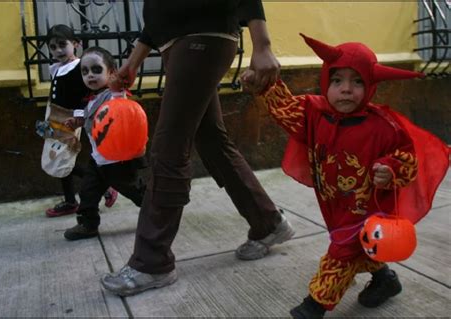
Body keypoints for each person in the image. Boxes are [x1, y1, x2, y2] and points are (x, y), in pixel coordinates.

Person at [242, 33, 449, 318]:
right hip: (335, 203)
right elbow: (284, 109)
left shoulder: (384, 127)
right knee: (358, 247)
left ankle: (314, 306)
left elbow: (407, 158)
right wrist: (263, 87)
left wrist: (390, 170)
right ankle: (384, 280)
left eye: (358, 82)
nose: (346, 90)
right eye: (337, 80)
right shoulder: (313, 113)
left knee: (342, 251)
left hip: (367, 207)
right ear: (326, 80)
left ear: (371, 85)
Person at [100, 0, 295, 296]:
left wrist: (262, 43)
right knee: (212, 140)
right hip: (182, 45)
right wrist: (134, 61)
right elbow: (158, 13)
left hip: (202, 38)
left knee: (169, 145)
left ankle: (152, 262)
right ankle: (268, 222)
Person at [63, 47, 148, 240]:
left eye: (96, 70)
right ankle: (88, 224)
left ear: (111, 72)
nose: (90, 75)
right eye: (85, 71)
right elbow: (93, 119)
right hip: (98, 159)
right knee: (87, 192)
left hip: (118, 161)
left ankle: (157, 212)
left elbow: (123, 114)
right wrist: (78, 121)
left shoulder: (113, 95)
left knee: (135, 191)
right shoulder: (91, 99)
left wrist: (118, 87)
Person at [43, 24, 118, 217]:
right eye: (52, 47)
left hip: (70, 118)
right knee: (57, 158)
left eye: (62, 44)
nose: (58, 50)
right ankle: (70, 200)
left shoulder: (79, 68)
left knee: (63, 158)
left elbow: (86, 94)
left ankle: (106, 186)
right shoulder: (58, 68)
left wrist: (78, 116)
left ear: (75, 43)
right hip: (55, 116)